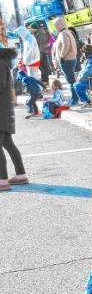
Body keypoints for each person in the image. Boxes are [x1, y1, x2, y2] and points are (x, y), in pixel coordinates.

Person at [0, 47, 28, 192]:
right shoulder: (5, 63)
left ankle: (2, 180)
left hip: (1, 110)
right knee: (8, 143)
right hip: (4, 109)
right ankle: (20, 174)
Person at [52, 17, 79, 106]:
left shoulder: (63, 33)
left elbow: (66, 45)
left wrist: (62, 56)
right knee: (71, 80)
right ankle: (74, 98)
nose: (55, 27)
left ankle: (75, 99)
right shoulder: (67, 32)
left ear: (59, 25)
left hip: (67, 60)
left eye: (56, 25)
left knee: (71, 80)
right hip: (71, 58)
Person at [29, 22, 51, 86]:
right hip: (39, 53)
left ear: (34, 28)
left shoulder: (40, 34)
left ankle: (45, 81)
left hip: (41, 53)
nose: (30, 30)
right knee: (42, 68)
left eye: (31, 28)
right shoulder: (35, 34)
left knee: (44, 68)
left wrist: (40, 53)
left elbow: (42, 45)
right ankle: (44, 80)